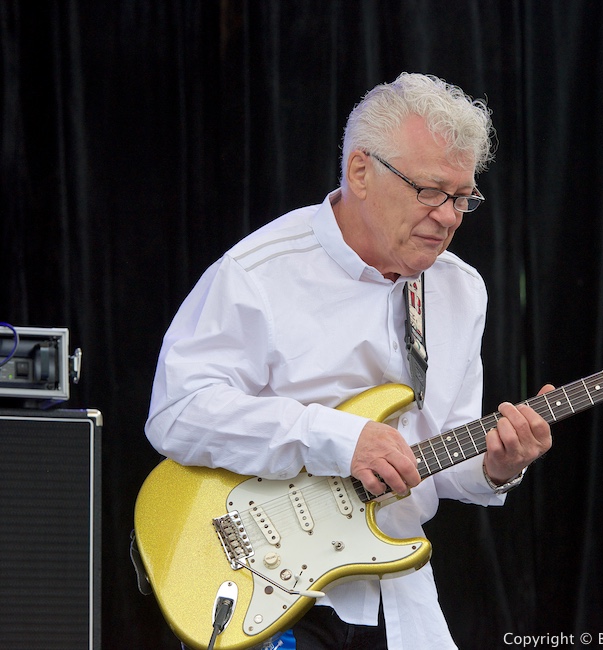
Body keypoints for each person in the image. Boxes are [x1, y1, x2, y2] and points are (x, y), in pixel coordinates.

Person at [145, 72, 553, 650]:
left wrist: (498, 466)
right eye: (431, 191)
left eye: (464, 197)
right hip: (271, 584)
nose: (450, 217)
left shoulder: (463, 290)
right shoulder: (259, 272)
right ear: (361, 172)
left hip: (398, 594)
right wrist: (335, 437)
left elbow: (442, 451)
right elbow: (177, 412)